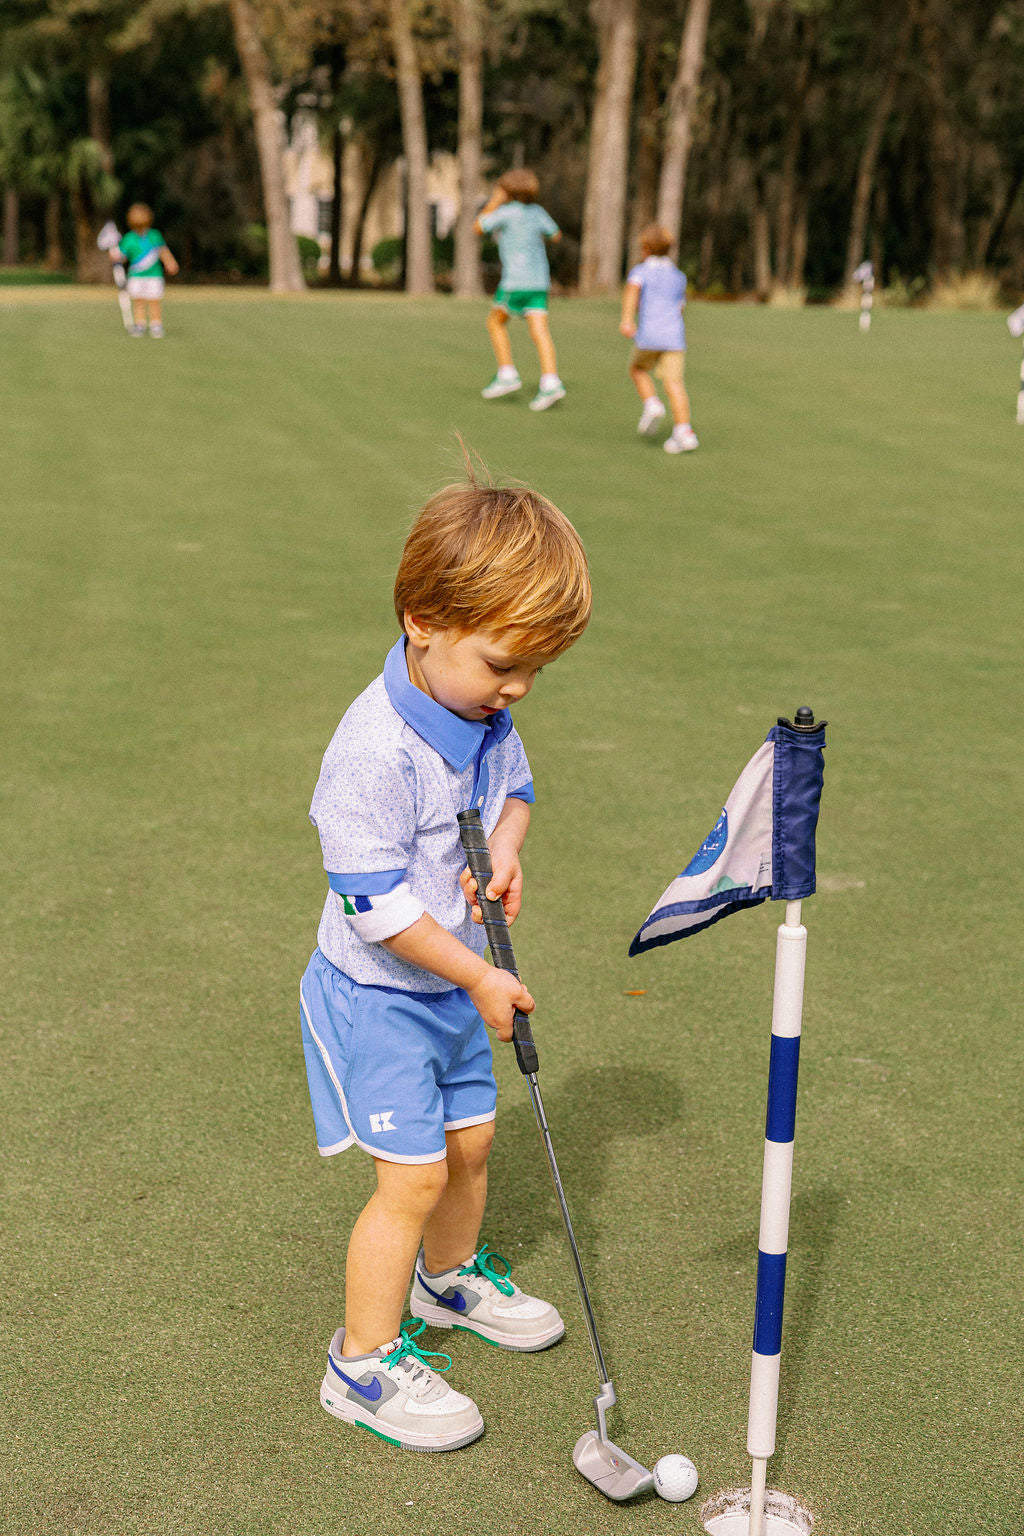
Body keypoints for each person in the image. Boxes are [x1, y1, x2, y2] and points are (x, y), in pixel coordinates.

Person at [300, 469, 592, 1452]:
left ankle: (448, 1277)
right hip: (382, 993)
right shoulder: (370, 752)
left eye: (533, 674)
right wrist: (475, 974)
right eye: (505, 664)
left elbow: (516, 790)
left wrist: (505, 846)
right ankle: (362, 1362)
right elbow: (375, 910)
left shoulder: (482, 718)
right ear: (423, 621)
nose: (515, 691)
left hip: (453, 983)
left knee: (471, 1145)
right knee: (412, 1179)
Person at [474, 170, 566, 411]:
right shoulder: (537, 212)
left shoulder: (505, 212)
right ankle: (550, 381)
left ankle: (507, 374)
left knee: (495, 322)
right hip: (539, 282)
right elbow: (555, 235)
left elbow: (478, 227)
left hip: (515, 281)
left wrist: (494, 201)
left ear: (507, 191)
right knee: (540, 331)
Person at [619, 224, 698, 453]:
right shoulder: (678, 276)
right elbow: (680, 306)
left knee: (637, 369)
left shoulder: (640, 272)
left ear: (645, 248)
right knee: (674, 383)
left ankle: (652, 403)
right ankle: (684, 431)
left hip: (649, 335)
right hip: (674, 337)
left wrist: (626, 320)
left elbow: (631, 295)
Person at [109, 203, 179, 338]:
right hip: (136, 275)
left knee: (154, 300)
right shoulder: (129, 238)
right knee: (138, 301)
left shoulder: (154, 235)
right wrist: (114, 255)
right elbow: (122, 257)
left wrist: (170, 262)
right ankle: (140, 324)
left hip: (154, 275)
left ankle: (156, 324)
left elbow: (163, 251)